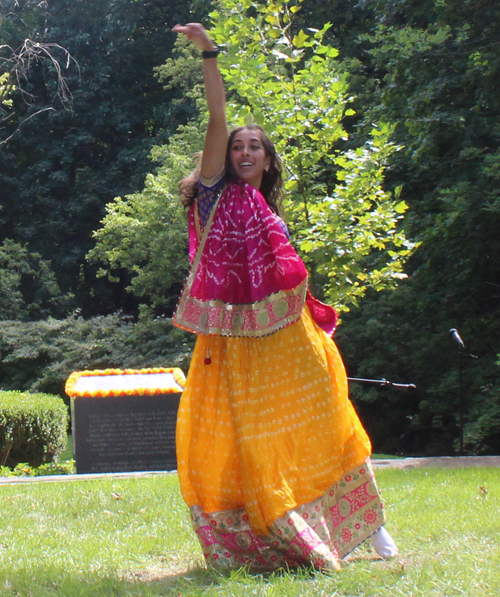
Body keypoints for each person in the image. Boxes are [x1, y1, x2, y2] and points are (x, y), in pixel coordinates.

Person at [171, 22, 398, 572]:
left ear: (268, 162)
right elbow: (217, 118)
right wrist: (209, 55)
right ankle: (271, 538)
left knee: (327, 415)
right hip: (232, 346)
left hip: (289, 335)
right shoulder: (213, 193)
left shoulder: (268, 214)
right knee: (246, 442)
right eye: (236, 147)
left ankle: (373, 529)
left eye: (255, 147)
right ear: (223, 159)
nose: (243, 150)